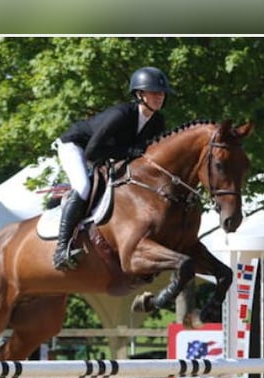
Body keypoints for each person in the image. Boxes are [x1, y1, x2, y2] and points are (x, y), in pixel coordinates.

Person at [52, 66, 175, 270]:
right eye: (154, 92)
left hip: (106, 152)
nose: (159, 97)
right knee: (82, 186)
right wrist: (129, 151)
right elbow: (92, 151)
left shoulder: (157, 122)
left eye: (161, 93)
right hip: (76, 146)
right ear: (139, 94)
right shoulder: (121, 115)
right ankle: (61, 249)